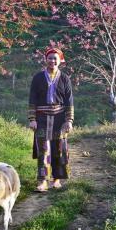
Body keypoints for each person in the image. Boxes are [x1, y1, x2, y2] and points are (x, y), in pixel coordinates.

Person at [28, 48, 74, 191]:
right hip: (41, 119)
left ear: (60, 61)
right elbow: (32, 99)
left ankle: (57, 179)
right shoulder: (38, 78)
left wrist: (69, 120)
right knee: (43, 150)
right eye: (50, 58)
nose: (52, 61)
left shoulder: (65, 78)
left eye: (55, 58)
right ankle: (42, 181)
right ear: (45, 60)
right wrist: (32, 118)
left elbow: (69, 101)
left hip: (60, 119)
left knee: (58, 149)